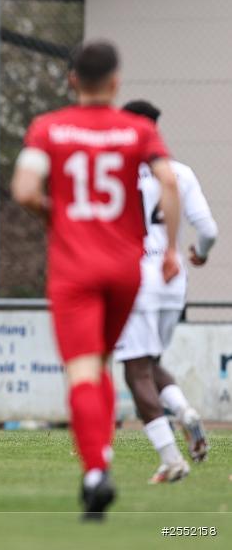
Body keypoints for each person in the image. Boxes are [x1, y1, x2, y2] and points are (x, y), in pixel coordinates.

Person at [10, 40, 181, 520]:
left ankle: (94, 473)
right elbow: (167, 182)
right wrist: (169, 248)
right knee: (103, 363)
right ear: (115, 82)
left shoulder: (50, 128)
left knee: (83, 371)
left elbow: (24, 189)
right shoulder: (139, 129)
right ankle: (101, 461)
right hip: (126, 269)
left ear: (72, 80)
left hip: (75, 269)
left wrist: (54, 213)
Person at [114, 100, 216, 483]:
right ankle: (185, 412)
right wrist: (200, 254)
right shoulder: (181, 173)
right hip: (173, 280)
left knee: (134, 370)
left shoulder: (117, 173)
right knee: (150, 361)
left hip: (134, 280)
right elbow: (209, 231)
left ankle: (171, 458)